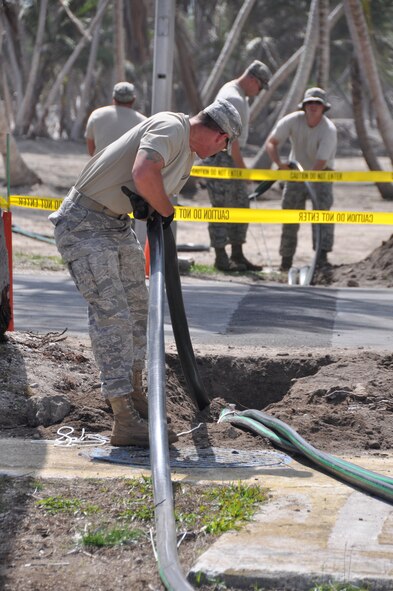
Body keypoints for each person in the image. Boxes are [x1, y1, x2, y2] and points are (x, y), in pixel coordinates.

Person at [48, 98, 242, 448]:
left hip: (115, 225)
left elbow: (150, 189)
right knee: (113, 316)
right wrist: (165, 209)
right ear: (220, 134)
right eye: (226, 142)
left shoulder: (187, 153)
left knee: (139, 311)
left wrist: (158, 206)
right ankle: (124, 418)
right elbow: (143, 172)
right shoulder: (171, 127)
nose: (223, 149)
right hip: (85, 223)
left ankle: (138, 401)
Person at [204, 60, 271, 272]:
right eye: (260, 86)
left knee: (240, 205)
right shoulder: (233, 97)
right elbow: (231, 142)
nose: (259, 91)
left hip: (226, 156)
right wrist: (244, 173)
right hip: (222, 157)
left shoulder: (237, 94)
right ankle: (222, 257)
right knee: (222, 208)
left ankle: (237, 255)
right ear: (252, 79)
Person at [265, 87, 337, 271]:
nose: (313, 106)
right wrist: (280, 165)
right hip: (296, 174)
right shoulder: (292, 120)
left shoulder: (328, 129)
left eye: (317, 103)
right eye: (310, 103)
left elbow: (321, 161)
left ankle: (321, 259)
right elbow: (272, 142)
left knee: (322, 217)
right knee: (290, 217)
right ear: (304, 106)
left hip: (320, 174)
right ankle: (286, 261)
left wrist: (309, 179)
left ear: (323, 107)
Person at [85, 81, 146, 156]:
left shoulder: (96, 115)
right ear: (133, 99)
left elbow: (91, 150)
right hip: (128, 168)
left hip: (100, 167)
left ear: (114, 98)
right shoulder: (143, 122)